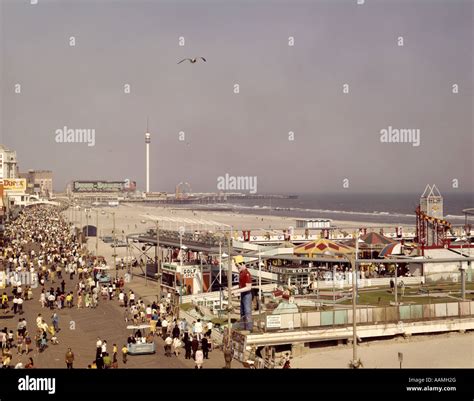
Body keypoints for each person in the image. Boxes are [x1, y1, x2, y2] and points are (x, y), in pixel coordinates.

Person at [231, 256, 253, 331]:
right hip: (243, 294)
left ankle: (249, 328)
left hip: (247, 295)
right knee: (242, 312)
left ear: (242, 263)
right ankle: (243, 327)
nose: (237, 267)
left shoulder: (247, 274)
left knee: (247, 312)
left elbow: (248, 287)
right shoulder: (241, 273)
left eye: (238, 265)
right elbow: (240, 285)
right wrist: (231, 289)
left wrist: (236, 291)